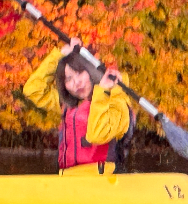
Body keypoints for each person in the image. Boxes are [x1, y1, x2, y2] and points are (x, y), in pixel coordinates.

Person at [23, 36, 133, 174]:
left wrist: (103, 90)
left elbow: (97, 135)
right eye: (68, 78)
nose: (76, 82)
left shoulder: (116, 102)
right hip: (70, 180)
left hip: (103, 181)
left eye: (80, 73)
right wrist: (60, 55)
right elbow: (32, 89)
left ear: (91, 71)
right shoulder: (69, 105)